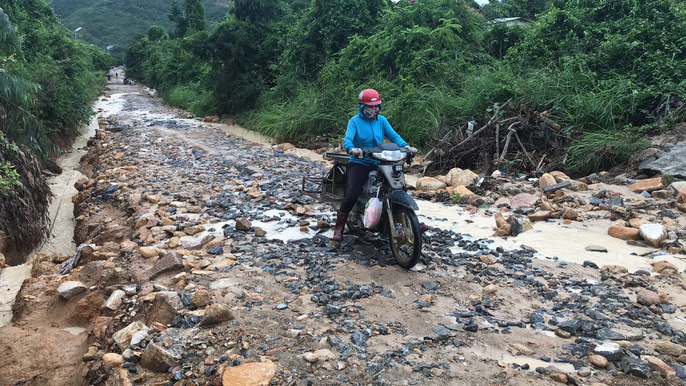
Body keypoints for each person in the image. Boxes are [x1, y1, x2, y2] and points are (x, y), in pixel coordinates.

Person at [333, 88, 417, 241]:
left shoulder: (382, 121)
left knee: (399, 186)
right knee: (352, 192)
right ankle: (338, 228)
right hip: (360, 161)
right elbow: (347, 140)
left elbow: (394, 136)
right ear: (362, 107)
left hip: (380, 161)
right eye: (370, 106)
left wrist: (406, 147)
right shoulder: (354, 122)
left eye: (376, 106)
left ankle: (408, 220)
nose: (374, 109)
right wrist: (353, 149)